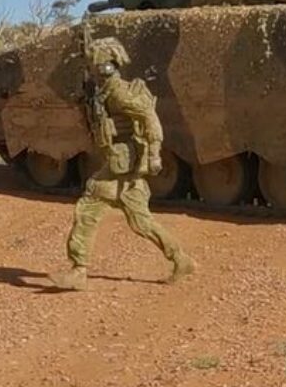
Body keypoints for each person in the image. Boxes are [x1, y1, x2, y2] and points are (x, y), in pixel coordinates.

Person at [48, 37, 195, 291]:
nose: (93, 67)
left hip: (122, 165)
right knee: (141, 221)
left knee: (89, 206)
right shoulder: (103, 90)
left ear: (104, 65)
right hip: (122, 164)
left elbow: (148, 116)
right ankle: (181, 259)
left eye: (95, 63)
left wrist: (155, 154)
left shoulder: (117, 92)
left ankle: (79, 271)